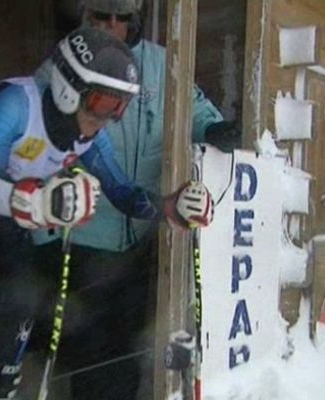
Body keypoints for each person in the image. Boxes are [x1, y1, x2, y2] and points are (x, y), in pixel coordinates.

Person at [0, 27, 214, 400]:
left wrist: (172, 206)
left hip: (8, 205)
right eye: (105, 104)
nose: (109, 118)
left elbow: (123, 193)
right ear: (68, 88)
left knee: (24, 301)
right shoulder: (14, 103)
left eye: (120, 107)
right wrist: (36, 202)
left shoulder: (89, 135)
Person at [32, 1, 241, 399]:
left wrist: (213, 128)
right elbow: (32, 136)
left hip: (139, 235)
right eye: (102, 17)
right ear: (86, 18)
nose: (113, 25)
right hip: (85, 236)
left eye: (122, 18)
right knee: (90, 353)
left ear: (136, 20)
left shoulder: (163, 65)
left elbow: (193, 108)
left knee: (126, 346)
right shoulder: (63, 66)